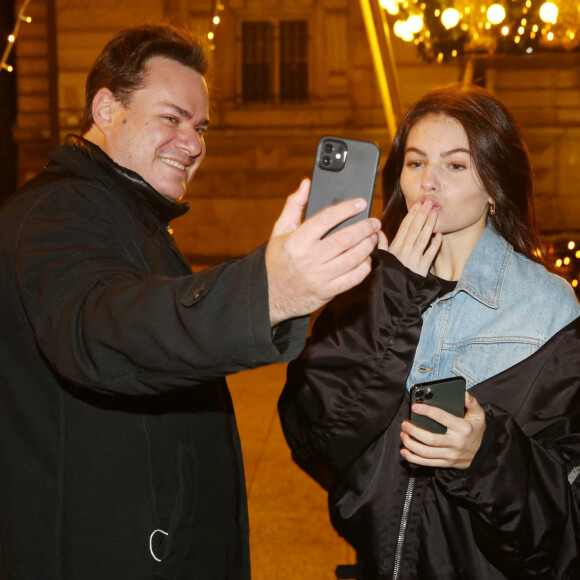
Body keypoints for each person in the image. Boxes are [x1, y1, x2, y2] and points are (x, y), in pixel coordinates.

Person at [0, 24, 382, 580]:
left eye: (200, 126)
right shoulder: (60, 212)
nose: (195, 143)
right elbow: (100, 329)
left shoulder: (123, 213)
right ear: (107, 110)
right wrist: (266, 291)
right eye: (171, 118)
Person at [278, 85, 580, 579]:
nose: (429, 182)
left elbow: (564, 518)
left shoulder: (546, 305)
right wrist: (388, 296)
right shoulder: (369, 285)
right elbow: (315, 439)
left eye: (455, 165)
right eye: (416, 163)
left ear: (493, 184)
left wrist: (485, 457)